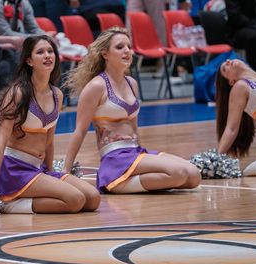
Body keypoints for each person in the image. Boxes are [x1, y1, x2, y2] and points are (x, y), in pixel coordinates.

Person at [63, 27, 200, 193]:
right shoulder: (96, 87)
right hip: (116, 157)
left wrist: (143, 158)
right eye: (120, 47)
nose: (127, 51)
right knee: (178, 173)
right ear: (105, 54)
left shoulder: (131, 83)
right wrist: (65, 173)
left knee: (193, 175)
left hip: (135, 152)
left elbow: (134, 127)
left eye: (129, 46)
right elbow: (80, 131)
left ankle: (125, 183)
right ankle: (114, 181)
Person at [0, 34, 100, 214]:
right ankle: (7, 203)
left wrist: (50, 172)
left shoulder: (57, 94)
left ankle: (23, 196)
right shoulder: (17, 93)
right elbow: (0, 142)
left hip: (38, 168)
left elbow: (49, 139)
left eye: (50, 51)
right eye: (40, 52)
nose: (47, 55)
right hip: (14, 169)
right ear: (29, 61)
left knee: (92, 198)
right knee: (75, 200)